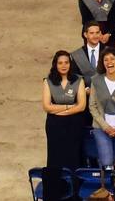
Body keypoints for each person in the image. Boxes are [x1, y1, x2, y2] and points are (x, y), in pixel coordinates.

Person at [41, 51, 88, 200]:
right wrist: (69, 107)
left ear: (70, 64)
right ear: (55, 64)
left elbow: (81, 106)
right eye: (60, 63)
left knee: (73, 157)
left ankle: (74, 194)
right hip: (54, 125)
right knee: (55, 158)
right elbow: (47, 107)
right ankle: (56, 193)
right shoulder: (48, 81)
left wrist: (61, 109)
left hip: (74, 124)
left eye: (66, 62)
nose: (63, 65)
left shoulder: (79, 80)